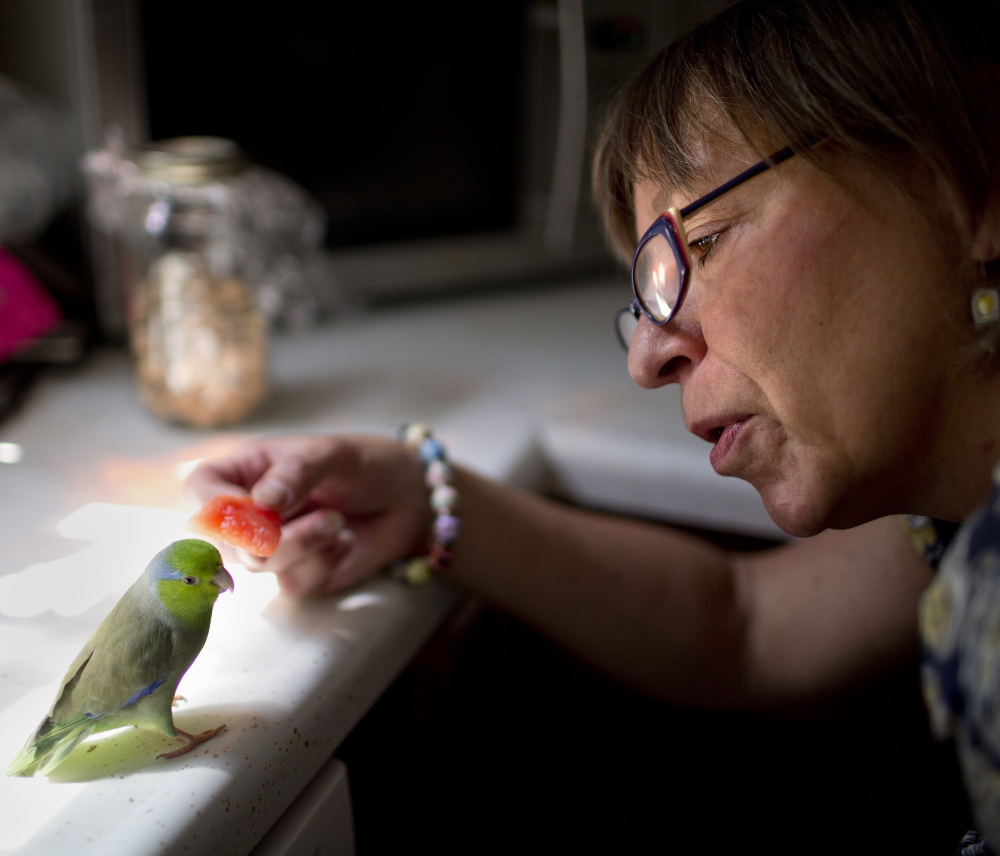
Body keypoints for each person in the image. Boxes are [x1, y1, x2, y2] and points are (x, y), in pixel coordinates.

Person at [185, 0, 1000, 851]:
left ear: (981, 171)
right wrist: (425, 500)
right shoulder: (952, 512)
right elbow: (743, 624)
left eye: (705, 243)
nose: (645, 359)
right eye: (644, 298)